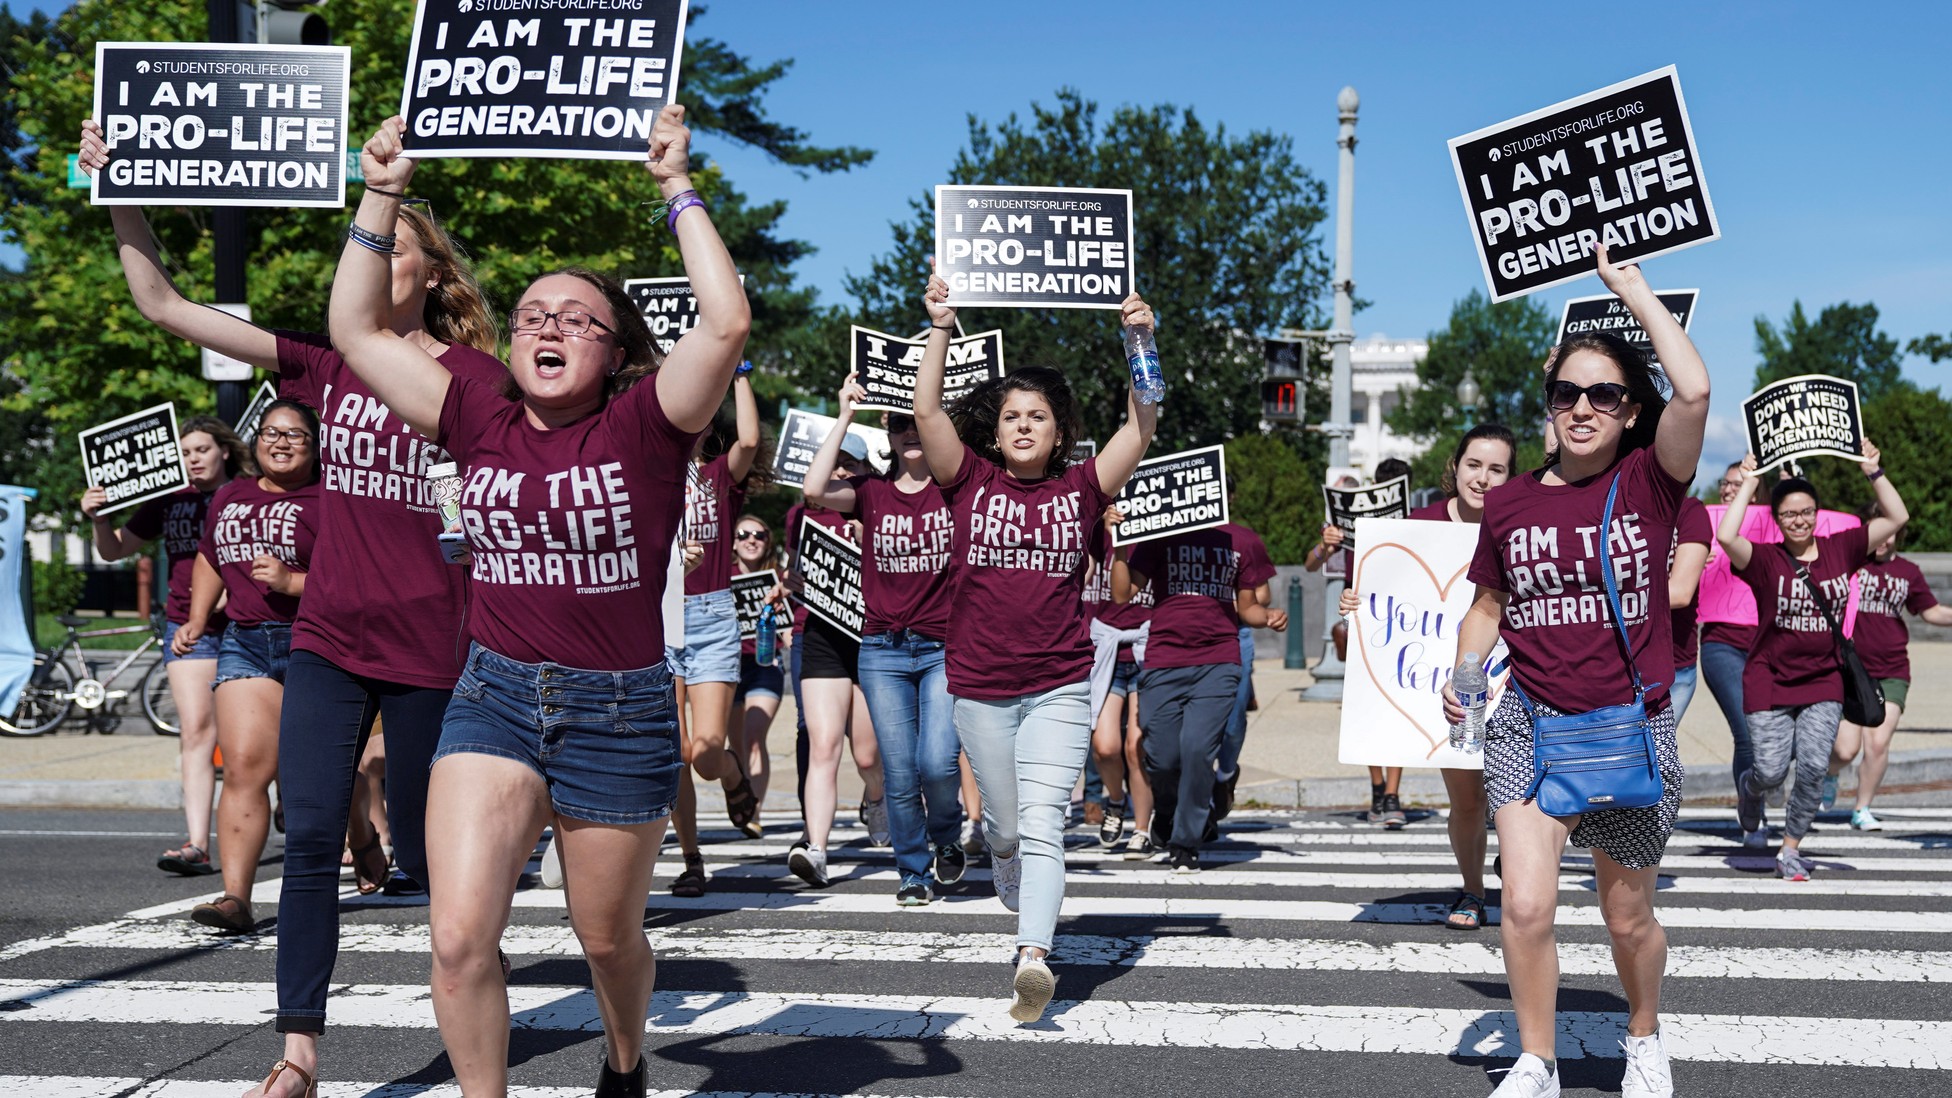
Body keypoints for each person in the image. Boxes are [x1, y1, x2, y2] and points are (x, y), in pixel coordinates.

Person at [79, 117, 507, 1098]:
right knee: (310, 836)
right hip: (325, 642)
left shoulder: (481, 382)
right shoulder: (324, 367)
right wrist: (118, 191)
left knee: (430, 867)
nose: (367, 253)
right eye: (364, 240)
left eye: (389, 241)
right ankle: (299, 1052)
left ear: (435, 277)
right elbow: (162, 302)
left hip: (435, 655)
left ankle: (479, 1027)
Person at [327, 107, 746, 1098]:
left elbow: (725, 322)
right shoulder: (470, 407)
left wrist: (673, 187)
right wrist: (380, 188)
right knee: (460, 936)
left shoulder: (650, 426)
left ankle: (626, 1058)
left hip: (620, 711)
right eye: (532, 315)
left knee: (606, 941)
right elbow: (351, 328)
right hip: (495, 698)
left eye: (578, 320)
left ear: (613, 353)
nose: (549, 326)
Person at [1444, 249, 1709, 1098]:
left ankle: (1643, 1034)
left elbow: (1695, 393)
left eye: (1605, 395)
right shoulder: (1512, 500)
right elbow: (1489, 604)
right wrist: (1463, 667)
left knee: (1626, 915)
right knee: (1524, 905)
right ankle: (1537, 1058)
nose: (1583, 408)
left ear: (1632, 412)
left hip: (1629, 723)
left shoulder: (1651, 482)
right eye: (1567, 393)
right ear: (1549, 403)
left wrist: (1628, 291)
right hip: (1530, 722)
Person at [916, 268, 1156, 1023]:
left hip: (1059, 685)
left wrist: (1139, 341)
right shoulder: (967, 479)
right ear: (996, 428)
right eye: (1013, 415)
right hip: (980, 687)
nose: (1024, 425)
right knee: (1005, 828)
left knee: (1046, 822)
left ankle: (1032, 957)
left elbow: (1143, 424)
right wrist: (941, 328)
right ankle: (1013, 883)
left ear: (1059, 433)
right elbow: (924, 407)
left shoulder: (1083, 489)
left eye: (1039, 417)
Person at [1342, 422, 1517, 930]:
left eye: (1497, 469)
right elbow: (1378, 598)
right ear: (1455, 466)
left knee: (1512, 794)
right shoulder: (1415, 527)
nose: (1483, 478)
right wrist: (1354, 602)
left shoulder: (1521, 524)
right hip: (1439, 687)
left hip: (1513, 677)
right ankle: (1472, 890)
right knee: (1467, 798)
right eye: (1474, 464)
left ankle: (1517, 857)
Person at [805, 383, 963, 904]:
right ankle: (914, 871)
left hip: (942, 647)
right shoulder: (870, 492)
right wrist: (845, 414)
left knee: (938, 763)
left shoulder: (954, 488)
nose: (910, 433)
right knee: (898, 770)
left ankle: (945, 837)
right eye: (899, 425)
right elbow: (812, 489)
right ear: (889, 437)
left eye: (916, 423)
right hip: (883, 650)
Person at [1717, 447, 1908, 877]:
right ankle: (1749, 791)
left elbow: (1897, 518)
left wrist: (1873, 470)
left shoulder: (1843, 548)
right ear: (1778, 519)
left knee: (1814, 768)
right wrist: (1749, 481)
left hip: (1824, 681)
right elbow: (1728, 537)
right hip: (1769, 680)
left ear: (1817, 513)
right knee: (1768, 771)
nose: (1799, 520)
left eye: (1806, 512)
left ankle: (1790, 849)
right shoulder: (1765, 559)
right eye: (1789, 514)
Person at [172, 400, 322, 932]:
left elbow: (355, 575)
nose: (280, 443)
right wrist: (195, 619)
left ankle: (366, 841)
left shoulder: (330, 499)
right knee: (243, 767)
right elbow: (211, 556)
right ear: (255, 441)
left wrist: (293, 582)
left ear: (315, 444)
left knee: (320, 778)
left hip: (316, 641)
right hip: (247, 640)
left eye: (295, 436)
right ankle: (236, 897)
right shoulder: (231, 496)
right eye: (271, 433)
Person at [82, 416, 248, 878]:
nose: (193, 459)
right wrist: (99, 517)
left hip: (245, 627)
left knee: (253, 740)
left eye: (201, 450)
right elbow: (113, 551)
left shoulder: (247, 493)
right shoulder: (168, 499)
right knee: (196, 731)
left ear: (224, 452)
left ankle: (280, 815)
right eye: (185, 452)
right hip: (186, 630)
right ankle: (197, 843)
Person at [1112, 519, 1285, 871]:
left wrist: (1267, 616)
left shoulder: (1242, 539)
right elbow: (1122, 594)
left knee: (1196, 751)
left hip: (1218, 663)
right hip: (1163, 662)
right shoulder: (1159, 536)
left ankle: (1185, 841)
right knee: (1161, 756)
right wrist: (1118, 545)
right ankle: (1169, 807)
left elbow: (1247, 607)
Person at [663, 373, 766, 906]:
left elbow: (749, 439)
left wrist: (738, 372)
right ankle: (692, 860)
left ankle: (731, 777)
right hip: (660, 615)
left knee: (704, 753)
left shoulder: (716, 476)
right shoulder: (645, 471)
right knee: (675, 752)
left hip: (710, 617)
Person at [779, 435, 888, 887]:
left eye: (850, 463)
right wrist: (794, 580)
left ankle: (876, 797)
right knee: (823, 745)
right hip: (821, 634)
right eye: (835, 462)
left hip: (867, 635)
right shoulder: (801, 514)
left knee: (866, 754)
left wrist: (870, 544)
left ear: (866, 469)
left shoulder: (879, 506)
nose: (841, 471)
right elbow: (793, 570)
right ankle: (816, 847)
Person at [1825, 504, 1950, 829]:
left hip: (1892, 669)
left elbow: (1931, 612)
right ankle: (1831, 774)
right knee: (1845, 748)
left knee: (1878, 743)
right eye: (1877, 529)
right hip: (1850, 670)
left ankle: (1862, 809)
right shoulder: (1849, 561)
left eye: (1890, 531)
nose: (1883, 538)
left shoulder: (1908, 571)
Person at [1305, 488, 1403, 828]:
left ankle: (1391, 793)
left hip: (1401, 626)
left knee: (1394, 713)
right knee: (1370, 713)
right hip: (1363, 624)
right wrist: (1326, 544)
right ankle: (1380, 790)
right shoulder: (1351, 531)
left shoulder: (1414, 525)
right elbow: (1311, 563)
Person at [1081, 505, 1155, 855]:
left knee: (1135, 747)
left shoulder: (1157, 534)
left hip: (1145, 650)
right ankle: (1115, 800)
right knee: (1105, 747)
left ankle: (1142, 828)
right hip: (1107, 653)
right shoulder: (1094, 533)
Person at [1211, 493, 1277, 826]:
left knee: (1233, 724)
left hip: (1236, 635)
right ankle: (1197, 803)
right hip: (1188, 640)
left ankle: (1225, 774)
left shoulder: (1241, 539)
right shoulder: (1173, 538)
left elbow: (1262, 595)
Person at [1695, 461, 1756, 787]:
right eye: (1726, 482)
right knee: (1745, 731)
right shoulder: (1703, 522)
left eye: (1738, 483)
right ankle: (1752, 818)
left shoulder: (1772, 529)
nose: (1728, 488)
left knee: (1776, 735)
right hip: (1722, 642)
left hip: (1767, 646)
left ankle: (1764, 783)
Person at [729, 515, 791, 823]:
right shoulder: (719, 578)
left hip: (765, 666)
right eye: (743, 534)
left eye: (759, 534)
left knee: (754, 737)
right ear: (734, 541)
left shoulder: (779, 580)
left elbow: (792, 627)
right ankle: (740, 794)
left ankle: (754, 811)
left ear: (768, 541)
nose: (751, 539)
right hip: (726, 669)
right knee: (736, 746)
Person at [1664, 496, 1713, 722]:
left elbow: (1681, 593)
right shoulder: (1609, 507)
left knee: (1652, 754)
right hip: (1615, 665)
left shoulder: (1688, 510)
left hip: (1675, 665)